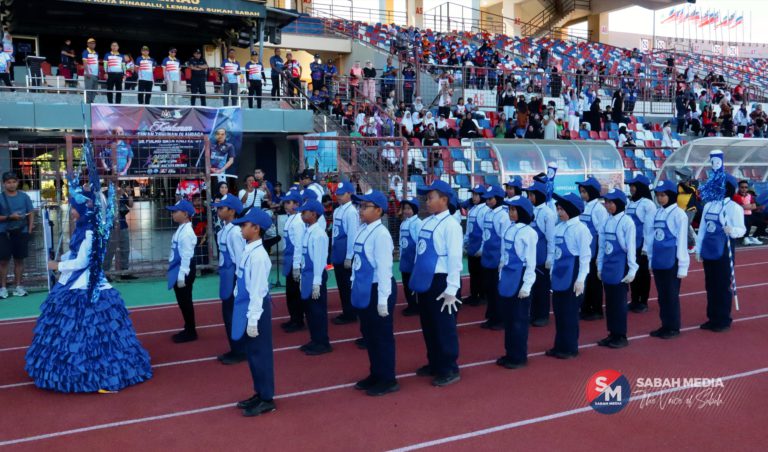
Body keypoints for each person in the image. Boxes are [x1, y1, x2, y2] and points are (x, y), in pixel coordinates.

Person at [25, 186, 152, 392]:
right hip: (76, 281)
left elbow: (83, 261)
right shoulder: (83, 229)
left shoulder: (91, 232)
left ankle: (96, 372)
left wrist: (58, 266)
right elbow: (75, 254)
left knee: (89, 326)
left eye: (74, 208)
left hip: (85, 283)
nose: (71, 211)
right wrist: (61, 259)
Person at [410, 180, 463, 387]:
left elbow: (455, 259)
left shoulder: (451, 226)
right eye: (427, 198)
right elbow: (420, 253)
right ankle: (434, 362)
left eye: (431, 197)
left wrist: (452, 288)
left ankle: (449, 367)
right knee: (429, 324)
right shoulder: (426, 222)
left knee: (444, 327)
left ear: (444, 199)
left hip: (441, 281)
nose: (427, 201)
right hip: (426, 280)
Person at [350, 190, 399, 396]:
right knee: (369, 335)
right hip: (364, 288)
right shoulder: (364, 229)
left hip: (379, 289)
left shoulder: (381, 234)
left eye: (365, 206)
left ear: (378, 210)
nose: (361, 210)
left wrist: (383, 299)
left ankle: (388, 378)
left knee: (382, 336)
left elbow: (384, 269)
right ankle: (376, 373)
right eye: (360, 206)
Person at [230, 208, 276, 417]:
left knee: (261, 354)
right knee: (252, 354)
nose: (241, 228)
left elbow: (257, 291)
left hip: (255, 309)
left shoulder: (258, 256)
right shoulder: (249, 250)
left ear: (256, 228)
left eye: (244, 225)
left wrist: (253, 319)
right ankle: (259, 392)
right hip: (246, 306)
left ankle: (267, 398)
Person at [696, 174, 745, 333]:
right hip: (709, 250)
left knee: (722, 285)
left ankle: (723, 319)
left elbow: (742, 230)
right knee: (710, 285)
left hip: (724, 251)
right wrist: (699, 249)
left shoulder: (734, 208)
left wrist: (733, 230)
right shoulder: (709, 206)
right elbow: (702, 228)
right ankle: (712, 317)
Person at [547, 193, 591, 359]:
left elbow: (585, 257)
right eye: (558, 209)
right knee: (559, 312)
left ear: (572, 209)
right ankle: (559, 345)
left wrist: (581, 279)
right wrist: (552, 273)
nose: (559, 212)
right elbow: (554, 254)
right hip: (559, 275)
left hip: (572, 276)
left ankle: (570, 347)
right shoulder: (559, 228)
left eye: (562, 209)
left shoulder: (581, 229)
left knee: (570, 313)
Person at [496, 196, 537, 369]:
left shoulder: (528, 233)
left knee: (519, 319)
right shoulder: (509, 229)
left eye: (514, 210)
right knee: (509, 319)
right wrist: (500, 274)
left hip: (520, 278)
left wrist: (527, 285)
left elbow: (531, 262)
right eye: (509, 209)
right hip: (507, 277)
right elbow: (504, 256)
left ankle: (519, 356)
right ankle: (509, 352)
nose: (510, 213)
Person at [648, 180, 689, 339]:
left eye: (663, 195)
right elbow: (653, 238)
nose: (660, 198)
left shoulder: (679, 214)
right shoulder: (658, 213)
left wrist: (682, 266)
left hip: (672, 262)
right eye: (658, 195)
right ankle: (665, 324)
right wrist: (651, 260)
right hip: (659, 261)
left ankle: (673, 327)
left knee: (671, 296)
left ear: (671, 195)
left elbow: (681, 242)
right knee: (662, 295)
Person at [596, 189, 637, 349]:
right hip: (608, 266)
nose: (608, 205)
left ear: (619, 203)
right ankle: (612, 332)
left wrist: (632, 270)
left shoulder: (627, 222)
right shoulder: (606, 221)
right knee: (610, 302)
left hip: (620, 267)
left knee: (619, 303)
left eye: (611, 202)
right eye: (606, 202)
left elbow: (631, 248)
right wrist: (599, 266)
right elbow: (601, 247)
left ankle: (621, 335)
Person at [211, 194, 247, 364]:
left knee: (233, 314)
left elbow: (240, 260)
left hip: (233, 277)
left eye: (221, 208)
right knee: (227, 313)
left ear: (232, 211)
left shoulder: (235, 233)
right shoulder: (224, 230)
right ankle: (235, 347)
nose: (218, 210)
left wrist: (239, 284)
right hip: (226, 276)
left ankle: (239, 350)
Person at [297, 199, 332, 355]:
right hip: (307, 275)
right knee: (309, 310)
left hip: (315, 276)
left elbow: (319, 260)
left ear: (314, 214)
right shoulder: (308, 231)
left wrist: (317, 282)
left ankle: (322, 342)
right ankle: (314, 339)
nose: (302, 214)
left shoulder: (318, 234)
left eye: (304, 212)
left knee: (317, 311)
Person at [523, 181, 556, 327]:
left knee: (542, 288)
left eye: (532, 194)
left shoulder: (547, 213)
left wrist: (550, 257)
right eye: (529, 194)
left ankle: (542, 315)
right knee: (532, 287)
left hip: (542, 257)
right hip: (531, 256)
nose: (529, 197)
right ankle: (534, 313)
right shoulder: (530, 210)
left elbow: (551, 238)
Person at [166, 199, 198, 343]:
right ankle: (188, 327)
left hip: (183, 270)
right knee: (182, 301)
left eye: (175, 211)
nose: (172, 213)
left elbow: (186, 255)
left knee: (185, 301)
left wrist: (181, 275)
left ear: (185, 214)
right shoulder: (182, 229)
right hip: (178, 268)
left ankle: (191, 331)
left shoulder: (186, 233)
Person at [576, 177, 607, 321]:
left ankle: (596, 309)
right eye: (581, 192)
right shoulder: (584, 206)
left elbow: (602, 232)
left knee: (594, 282)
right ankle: (586, 307)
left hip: (594, 251)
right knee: (586, 280)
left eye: (585, 192)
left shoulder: (599, 209)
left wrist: (600, 253)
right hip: (584, 250)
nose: (582, 195)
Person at [0, 172, 34, 298]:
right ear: (4, 184)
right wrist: (10, 217)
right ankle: (2, 288)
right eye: (8, 182)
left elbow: (30, 212)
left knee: (19, 260)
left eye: (14, 181)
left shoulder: (24, 197)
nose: (11, 184)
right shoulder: (0, 197)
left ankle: (18, 286)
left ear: (18, 182)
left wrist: (29, 229)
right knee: (3, 261)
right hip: (4, 233)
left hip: (21, 231)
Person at [480, 184, 509, 330]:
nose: (488, 201)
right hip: (487, 258)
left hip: (497, 258)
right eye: (487, 199)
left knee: (497, 290)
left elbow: (504, 239)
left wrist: (503, 260)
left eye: (491, 199)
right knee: (489, 289)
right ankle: (491, 316)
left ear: (498, 198)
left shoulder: (503, 216)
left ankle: (500, 319)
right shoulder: (488, 213)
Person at [625, 175, 656, 313]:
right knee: (633, 272)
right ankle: (634, 299)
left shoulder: (648, 204)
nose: (631, 188)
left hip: (642, 243)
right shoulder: (631, 203)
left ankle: (643, 301)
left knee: (642, 273)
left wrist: (646, 247)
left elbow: (649, 228)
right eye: (630, 186)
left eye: (634, 186)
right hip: (631, 244)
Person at [331, 181, 359, 325]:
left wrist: (349, 256)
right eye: (338, 194)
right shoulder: (338, 210)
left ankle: (351, 313)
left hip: (345, 255)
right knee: (341, 285)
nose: (339, 197)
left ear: (349, 194)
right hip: (337, 253)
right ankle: (346, 310)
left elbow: (352, 236)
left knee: (347, 285)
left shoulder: (351, 212)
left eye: (342, 194)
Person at [281, 190, 306, 333]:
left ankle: (298, 320)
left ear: (297, 204)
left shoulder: (298, 221)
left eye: (289, 202)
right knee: (290, 292)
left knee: (295, 292)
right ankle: (293, 318)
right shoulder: (290, 218)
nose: (286, 205)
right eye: (285, 202)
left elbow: (298, 245)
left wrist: (296, 265)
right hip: (288, 259)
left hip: (294, 261)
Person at [463, 184, 488, 307]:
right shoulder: (472, 209)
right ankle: (474, 295)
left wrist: (482, 248)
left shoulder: (485, 210)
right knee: (473, 272)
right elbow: (468, 229)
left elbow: (485, 231)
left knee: (480, 273)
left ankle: (482, 296)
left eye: (476, 194)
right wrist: (465, 242)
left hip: (479, 248)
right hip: (472, 247)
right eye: (473, 194)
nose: (473, 197)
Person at [103, 185, 135, 279]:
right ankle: (105, 273)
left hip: (122, 225)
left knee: (125, 249)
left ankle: (124, 272)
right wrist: (118, 194)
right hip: (111, 226)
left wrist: (129, 194)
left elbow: (130, 204)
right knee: (109, 250)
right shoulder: (105, 193)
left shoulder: (121, 193)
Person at [398, 197, 422, 316]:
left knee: (413, 285)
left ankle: (416, 306)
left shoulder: (417, 223)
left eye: (409, 208)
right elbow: (401, 242)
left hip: (413, 260)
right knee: (406, 284)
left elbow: (419, 243)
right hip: (405, 260)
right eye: (404, 208)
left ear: (415, 209)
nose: (406, 211)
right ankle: (410, 304)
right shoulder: (403, 223)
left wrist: (418, 262)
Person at [734, 180, 761, 245]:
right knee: (747, 221)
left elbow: (754, 206)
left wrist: (747, 206)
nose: (744, 189)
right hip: (740, 216)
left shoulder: (750, 196)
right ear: (739, 188)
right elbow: (741, 207)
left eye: (746, 187)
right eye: (742, 187)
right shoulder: (736, 196)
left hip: (750, 215)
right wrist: (750, 206)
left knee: (762, 222)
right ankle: (745, 238)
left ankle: (754, 237)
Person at [82, 38, 99, 103]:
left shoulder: (96, 53)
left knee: (94, 90)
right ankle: (88, 103)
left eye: (94, 43)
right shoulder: (85, 52)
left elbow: (96, 64)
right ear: (88, 44)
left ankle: (91, 102)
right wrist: (87, 72)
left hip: (95, 75)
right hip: (89, 74)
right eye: (91, 43)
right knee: (88, 90)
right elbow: (84, 62)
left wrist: (98, 74)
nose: (92, 44)